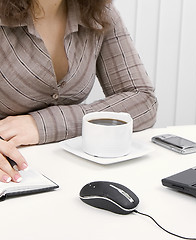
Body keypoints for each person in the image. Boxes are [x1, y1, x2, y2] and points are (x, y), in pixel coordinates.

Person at [0, 0, 158, 183]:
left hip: (71, 171)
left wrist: (45, 124)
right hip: (9, 176)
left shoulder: (99, 10)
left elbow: (143, 101)